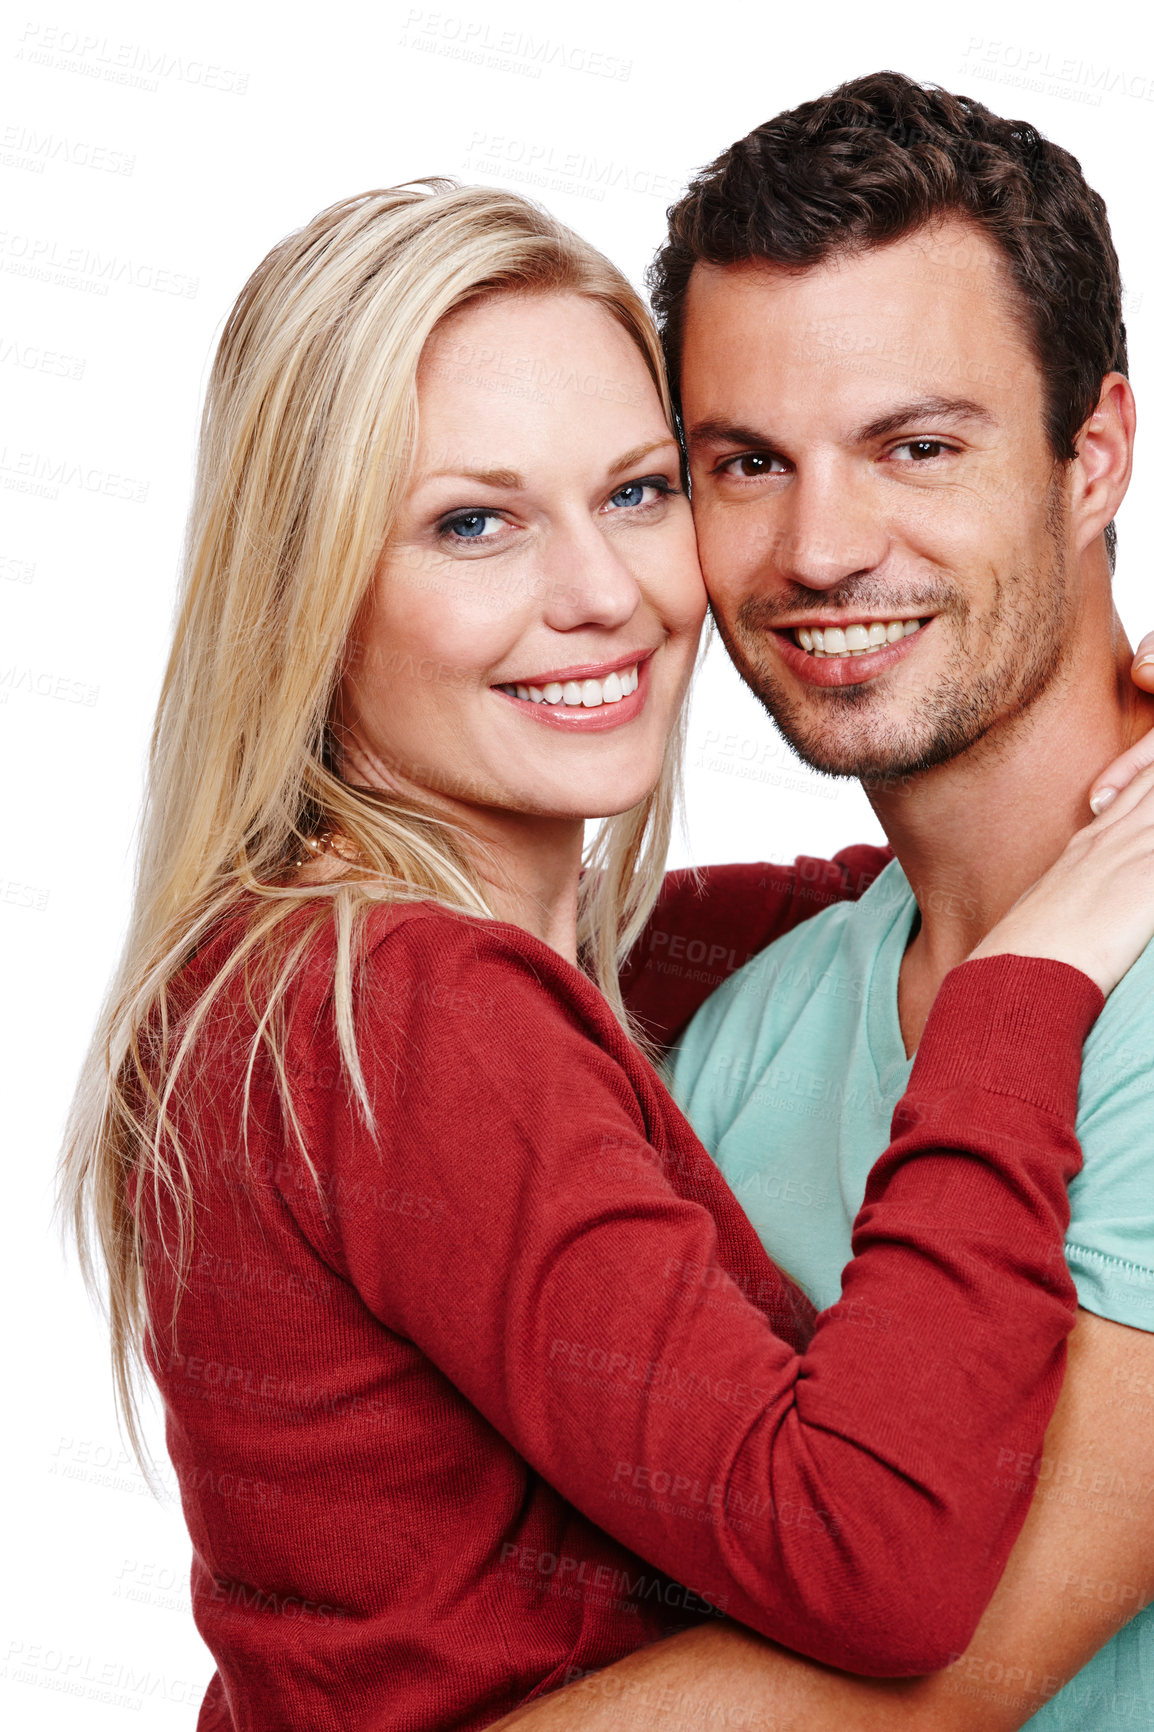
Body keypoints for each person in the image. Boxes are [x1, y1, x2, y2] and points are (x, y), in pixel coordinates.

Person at [58, 180, 1154, 1732]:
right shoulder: (404, 1006)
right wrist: (1021, 979)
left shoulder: (342, 971)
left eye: (638, 493)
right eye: (471, 522)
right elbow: (876, 1565)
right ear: (308, 581)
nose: (601, 598)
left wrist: (1056, 810)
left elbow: (667, 960)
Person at [513, 71, 1154, 1732]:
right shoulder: (754, 1019)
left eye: (914, 446)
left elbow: (944, 1679)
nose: (816, 548)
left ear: (1093, 453)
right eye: (742, 463)